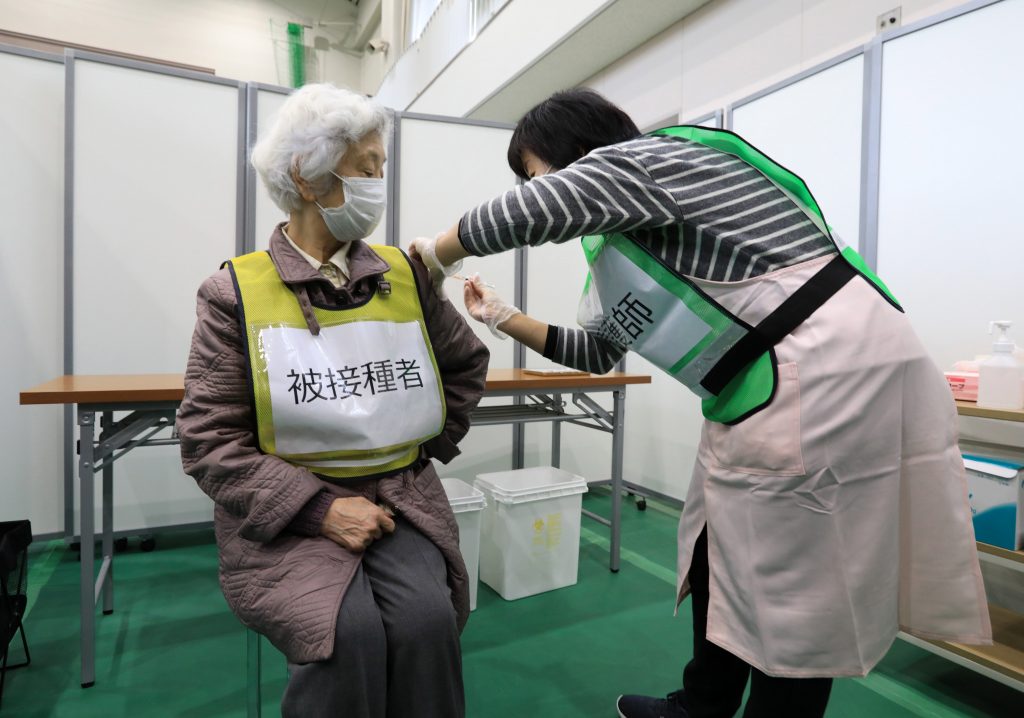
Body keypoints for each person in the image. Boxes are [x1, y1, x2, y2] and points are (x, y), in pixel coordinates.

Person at [409, 88, 991, 718]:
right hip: (780, 382)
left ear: (579, 150)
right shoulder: (631, 240)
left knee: (796, 590)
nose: (535, 187)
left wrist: (433, 255)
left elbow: (547, 204)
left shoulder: (659, 162)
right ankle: (702, 704)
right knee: (715, 544)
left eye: (535, 171)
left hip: (824, 375)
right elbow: (600, 351)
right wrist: (503, 316)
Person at [176, 83, 489, 718]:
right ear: (308, 177)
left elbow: (464, 366)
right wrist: (320, 508)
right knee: (345, 637)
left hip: (399, 496)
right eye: (366, 168)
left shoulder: (405, 275)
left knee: (429, 623)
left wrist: (413, 443)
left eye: (382, 168)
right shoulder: (235, 292)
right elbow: (210, 440)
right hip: (291, 513)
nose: (379, 184)